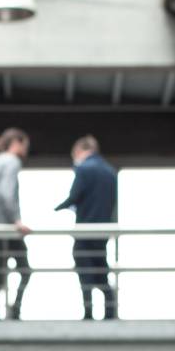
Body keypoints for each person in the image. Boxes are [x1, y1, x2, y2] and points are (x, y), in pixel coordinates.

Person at [55, 135, 118, 320]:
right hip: (102, 231)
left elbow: (75, 196)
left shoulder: (83, 169)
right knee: (101, 271)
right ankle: (110, 312)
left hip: (85, 230)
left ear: (80, 150)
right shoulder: (110, 171)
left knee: (84, 272)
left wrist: (57, 208)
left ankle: (88, 313)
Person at [0, 127, 32, 320]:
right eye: (25, 145)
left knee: (0, 270)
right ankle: (15, 309)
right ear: (17, 143)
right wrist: (17, 221)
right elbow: (6, 192)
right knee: (25, 271)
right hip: (9, 228)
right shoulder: (12, 162)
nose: (26, 150)